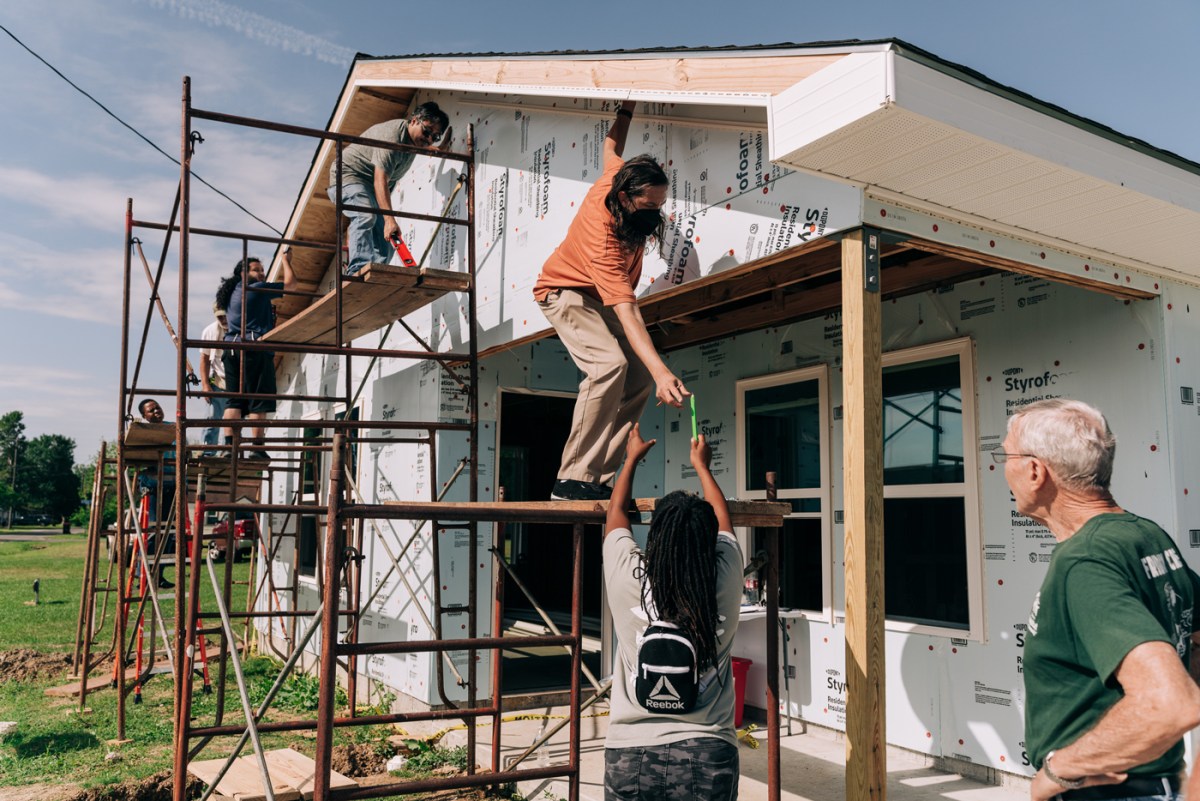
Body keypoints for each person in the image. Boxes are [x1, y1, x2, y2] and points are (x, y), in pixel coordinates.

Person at [1001, 399, 1200, 801]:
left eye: (1005, 456)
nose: (1003, 469)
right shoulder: (1144, 534)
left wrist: (1058, 771)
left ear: (1035, 471)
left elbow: (1172, 704)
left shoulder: (1085, 561)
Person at [533, 100, 688, 501]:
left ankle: (598, 477)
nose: (655, 214)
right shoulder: (602, 238)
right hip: (563, 291)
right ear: (623, 198)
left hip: (597, 297)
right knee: (609, 365)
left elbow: (610, 146)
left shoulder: (615, 177)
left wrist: (626, 110)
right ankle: (571, 479)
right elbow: (628, 311)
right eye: (649, 206)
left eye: (661, 205)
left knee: (637, 376)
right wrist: (663, 373)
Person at [602, 425, 742, 801]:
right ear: (707, 541)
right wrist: (703, 467)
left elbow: (616, 512)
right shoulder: (725, 578)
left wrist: (631, 459)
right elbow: (723, 520)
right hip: (708, 752)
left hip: (630, 753)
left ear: (656, 537)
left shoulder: (628, 577)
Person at [328, 102, 452, 275]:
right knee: (365, 215)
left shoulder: (416, 142)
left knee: (386, 240)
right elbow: (380, 181)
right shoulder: (392, 138)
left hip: (370, 189)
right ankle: (357, 271)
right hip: (347, 176)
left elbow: (426, 146)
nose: (429, 139)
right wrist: (389, 220)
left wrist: (439, 148)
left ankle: (376, 273)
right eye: (427, 132)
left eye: (435, 137)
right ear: (414, 121)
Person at [216, 250, 296, 459]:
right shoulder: (256, 288)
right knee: (258, 400)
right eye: (255, 270)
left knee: (234, 400)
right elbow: (291, 286)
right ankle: (257, 448)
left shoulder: (234, 291)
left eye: (262, 270)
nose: (261, 274)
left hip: (231, 348)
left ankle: (230, 448)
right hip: (253, 348)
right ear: (243, 273)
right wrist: (285, 261)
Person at [136, 398, 175, 589]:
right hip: (153, 486)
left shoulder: (173, 428)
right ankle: (142, 574)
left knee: (168, 533)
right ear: (144, 416)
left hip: (173, 484)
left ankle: (158, 574)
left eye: (157, 407)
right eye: (151, 410)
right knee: (153, 531)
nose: (156, 411)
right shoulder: (143, 432)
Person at [198, 302, 228, 448]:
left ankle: (230, 451)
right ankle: (208, 451)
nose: (224, 320)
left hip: (239, 382)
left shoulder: (242, 328)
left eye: (225, 316)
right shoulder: (210, 331)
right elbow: (204, 360)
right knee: (212, 417)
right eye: (220, 317)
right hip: (218, 380)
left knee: (235, 419)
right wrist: (205, 385)